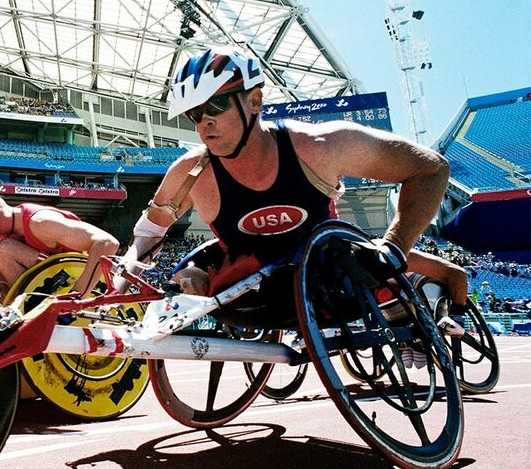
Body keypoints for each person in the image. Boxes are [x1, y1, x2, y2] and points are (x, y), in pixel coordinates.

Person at [121, 44, 452, 333]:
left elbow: (431, 169)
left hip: (330, 279)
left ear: (254, 101)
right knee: (187, 276)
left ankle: (420, 297)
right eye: (195, 112)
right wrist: (117, 290)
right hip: (251, 291)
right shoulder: (189, 173)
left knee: (373, 266)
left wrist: (394, 247)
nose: (205, 121)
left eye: (217, 105)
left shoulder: (322, 145)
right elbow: (148, 234)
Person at [0, 167, 120, 300]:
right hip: (58, 285)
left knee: (3, 252)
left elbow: (107, 243)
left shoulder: (39, 222)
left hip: (91, 292)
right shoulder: (2, 239)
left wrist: (76, 297)